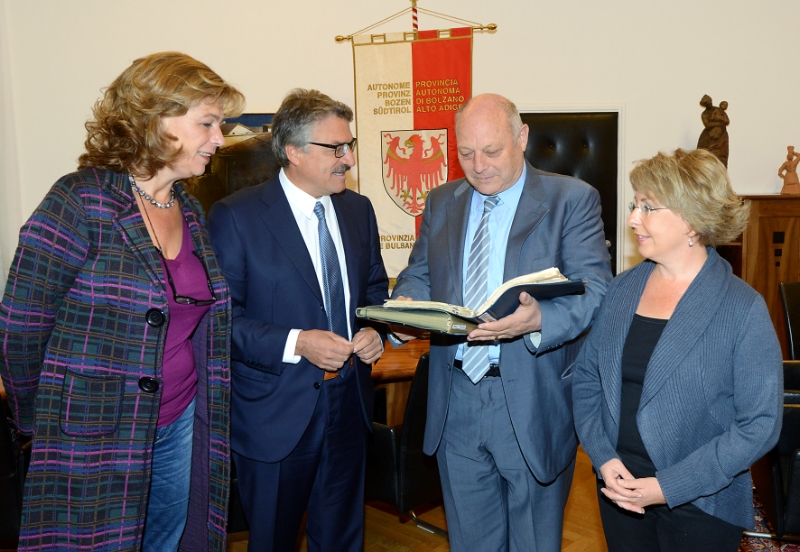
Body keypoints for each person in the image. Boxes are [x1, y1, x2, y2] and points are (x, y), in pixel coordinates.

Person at [0, 52, 244, 551]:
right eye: (207, 123)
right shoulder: (80, 200)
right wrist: (36, 419)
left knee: (165, 540)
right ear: (155, 120)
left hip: (180, 417)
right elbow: (21, 326)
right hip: (94, 428)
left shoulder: (190, 209)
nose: (220, 138)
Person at [391, 93, 613, 552]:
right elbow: (421, 273)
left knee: (534, 542)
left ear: (522, 137)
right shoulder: (442, 201)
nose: (479, 166)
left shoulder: (571, 199)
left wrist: (538, 320)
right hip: (455, 400)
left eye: (492, 151)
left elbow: (596, 292)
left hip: (531, 398)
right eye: (466, 153)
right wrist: (404, 304)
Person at [572, 148, 783, 552]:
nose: (633, 218)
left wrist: (668, 487)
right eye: (635, 205)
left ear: (690, 219)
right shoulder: (621, 289)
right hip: (619, 488)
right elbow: (586, 379)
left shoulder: (742, 308)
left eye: (647, 207)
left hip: (701, 502)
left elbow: (760, 424)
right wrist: (603, 458)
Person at [207, 88, 389, 552]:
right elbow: (221, 322)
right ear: (293, 151)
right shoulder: (236, 217)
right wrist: (297, 343)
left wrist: (375, 330)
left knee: (342, 538)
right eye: (336, 148)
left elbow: (373, 293)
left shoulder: (358, 210)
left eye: (349, 145)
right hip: (276, 412)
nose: (348, 159)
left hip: (349, 402)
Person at [697, 94, 730, 167]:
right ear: (705, 104)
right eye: (708, 103)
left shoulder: (717, 109)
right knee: (706, 155)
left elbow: (727, 121)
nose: (710, 104)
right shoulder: (704, 114)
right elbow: (707, 125)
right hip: (709, 137)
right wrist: (719, 124)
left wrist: (723, 122)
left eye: (710, 102)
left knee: (721, 157)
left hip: (721, 136)